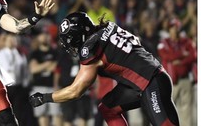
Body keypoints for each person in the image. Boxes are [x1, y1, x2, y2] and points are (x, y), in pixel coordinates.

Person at [29, 12, 180, 126]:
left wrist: (45, 98)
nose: (71, 46)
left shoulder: (91, 49)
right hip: (147, 80)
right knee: (108, 108)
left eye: (71, 41)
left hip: (151, 83)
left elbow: (75, 91)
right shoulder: (108, 27)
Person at [157, 18, 196, 126]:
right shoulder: (163, 42)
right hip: (169, 82)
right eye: (171, 28)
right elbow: (166, 56)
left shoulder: (186, 41)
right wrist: (183, 54)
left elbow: (193, 56)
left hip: (185, 79)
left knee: (186, 112)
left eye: (175, 28)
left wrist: (180, 62)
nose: (173, 30)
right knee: (165, 111)